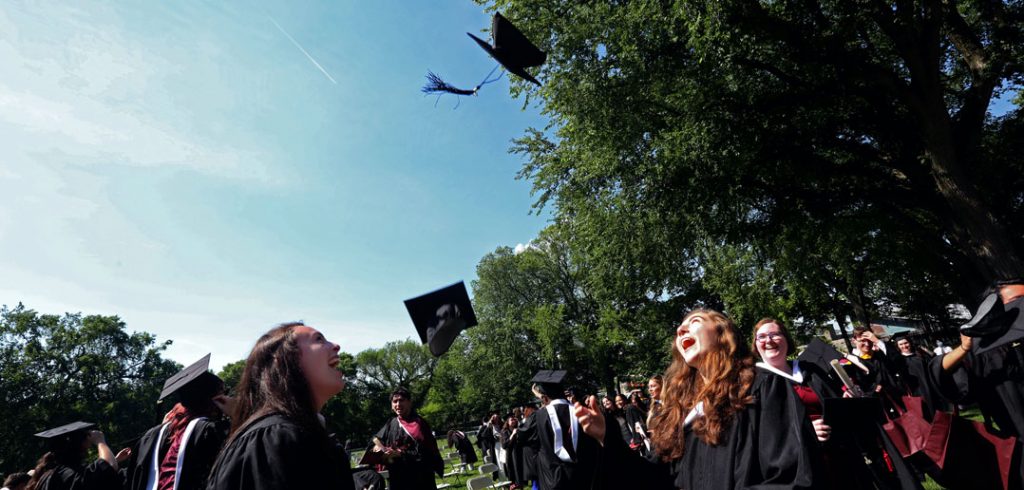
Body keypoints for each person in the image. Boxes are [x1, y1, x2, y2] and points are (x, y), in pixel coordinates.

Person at [647, 308, 819, 489]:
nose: (680, 329)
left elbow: (791, 478)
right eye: (680, 329)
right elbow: (651, 477)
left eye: (695, 321)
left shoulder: (762, 387)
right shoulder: (680, 412)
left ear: (723, 333)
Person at [751, 318, 920, 489]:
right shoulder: (755, 385)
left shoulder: (810, 370)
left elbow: (834, 401)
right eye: (762, 337)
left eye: (775, 334)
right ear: (756, 344)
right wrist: (806, 433)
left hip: (839, 453)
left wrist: (848, 400)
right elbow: (763, 437)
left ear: (786, 338)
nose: (768, 340)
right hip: (801, 467)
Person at [205, 322, 353, 490]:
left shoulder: (297, 432)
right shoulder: (275, 439)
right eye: (318, 339)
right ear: (284, 359)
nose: (336, 346)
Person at [123, 354, 231, 490]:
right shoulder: (213, 432)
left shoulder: (150, 437)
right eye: (223, 392)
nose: (226, 397)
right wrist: (238, 414)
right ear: (213, 399)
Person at [518, 370, 602, 490]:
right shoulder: (581, 412)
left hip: (551, 478)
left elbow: (521, 436)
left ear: (544, 397)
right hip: (583, 476)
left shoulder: (538, 417)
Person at [371, 388, 444, 490]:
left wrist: (400, 453)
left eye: (401, 400)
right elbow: (377, 439)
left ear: (409, 403)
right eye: (395, 401)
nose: (398, 404)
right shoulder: (391, 423)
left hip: (419, 476)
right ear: (392, 406)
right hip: (397, 476)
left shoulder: (419, 424)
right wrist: (378, 446)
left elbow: (426, 452)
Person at [27, 421, 127, 490]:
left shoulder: (49, 474)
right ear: (79, 444)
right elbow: (109, 466)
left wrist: (115, 460)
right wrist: (100, 441)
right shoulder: (71, 475)